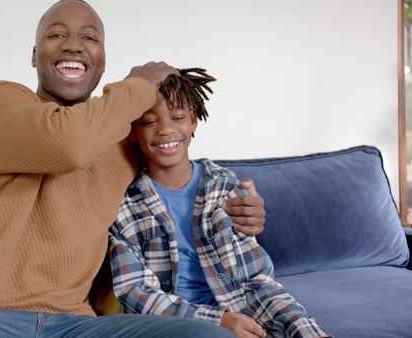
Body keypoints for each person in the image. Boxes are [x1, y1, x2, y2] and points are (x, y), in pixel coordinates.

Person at [0, 1, 265, 337]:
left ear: (102, 63)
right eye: (56, 35)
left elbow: (178, 180)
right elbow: (68, 143)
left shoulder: (123, 139)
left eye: (89, 38)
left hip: (74, 323)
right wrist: (140, 84)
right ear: (34, 55)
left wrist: (237, 210)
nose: (73, 45)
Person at [108, 68, 331, 338]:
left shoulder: (224, 187)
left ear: (193, 121)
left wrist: (303, 328)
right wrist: (218, 321)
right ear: (132, 131)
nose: (166, 129)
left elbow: (255, 282)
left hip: (240, 316)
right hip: (173, 327)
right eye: (149, 121)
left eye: (177, 117)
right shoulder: (125, 205)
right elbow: (136, 293)